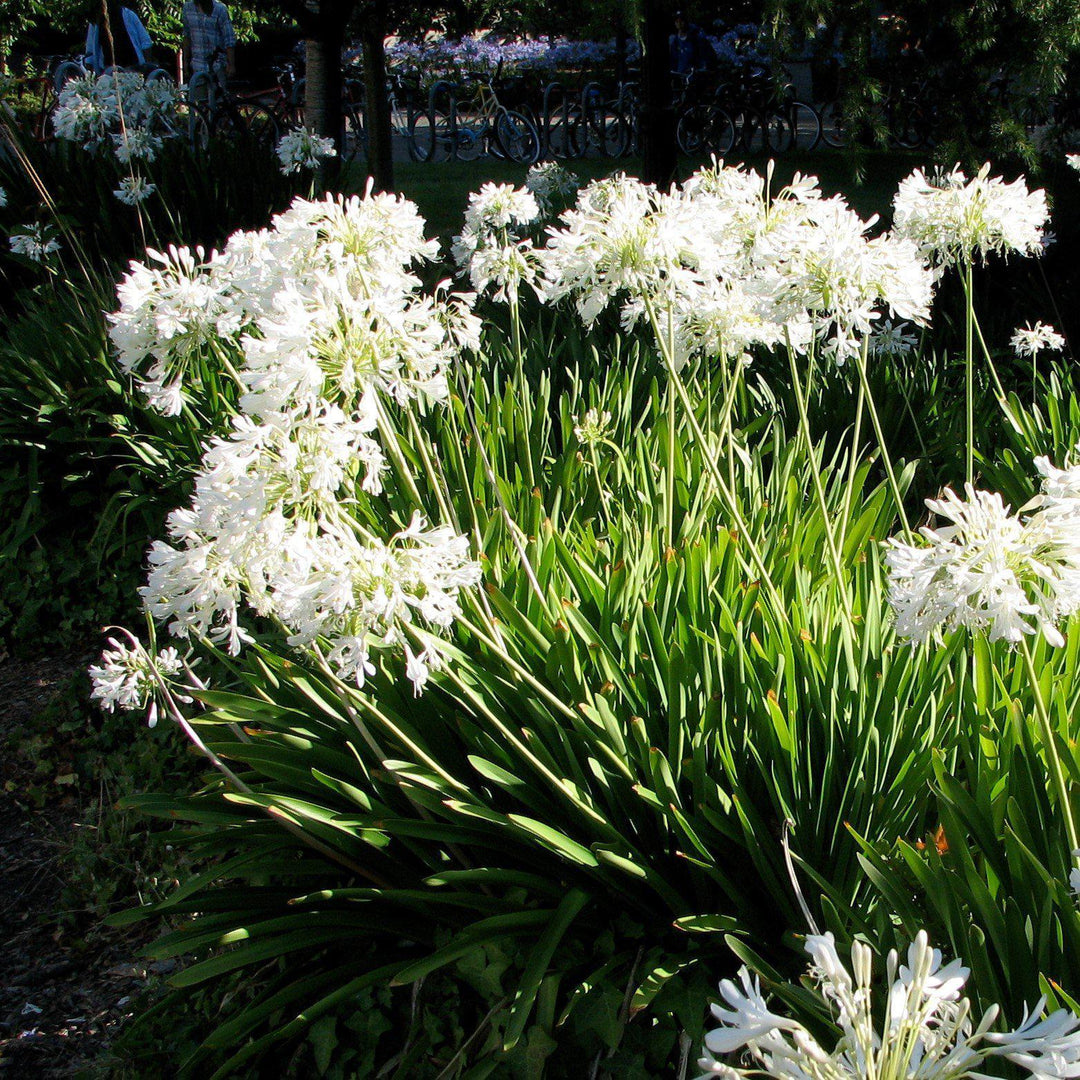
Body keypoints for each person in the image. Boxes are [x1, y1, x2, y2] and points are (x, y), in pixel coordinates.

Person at [182, 0, 236, 97]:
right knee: (202, 104)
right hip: (197, 66)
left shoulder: (220, 9)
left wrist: (231, 64)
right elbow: (186, 36)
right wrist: (185, 61)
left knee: (221, 101)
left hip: (218, 65)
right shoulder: (187, 8)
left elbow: (229, 38)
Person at [84, 0, 154, 73]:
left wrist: (146, 68)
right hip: (109, 71)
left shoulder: (129, 15)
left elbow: (146, 42)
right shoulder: (96, 22)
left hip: (133, 68)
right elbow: (90, 52)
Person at [669, 11, 711, 75]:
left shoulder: (697, 38)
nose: (679, 23)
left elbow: (705, 58)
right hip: (681, 77)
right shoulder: (675, 41)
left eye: (681, 21)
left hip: (695, 76)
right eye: (677, 21)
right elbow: (674, 60)